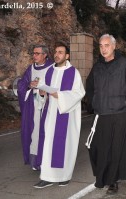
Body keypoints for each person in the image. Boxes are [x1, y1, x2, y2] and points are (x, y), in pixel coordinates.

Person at [86, 34, 126, 194]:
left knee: (116, 149)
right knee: (96, 147)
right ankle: (103, 175)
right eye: (101, 46)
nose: (103, 49)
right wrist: (93, 102)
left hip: (119, 115)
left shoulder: (124, 64)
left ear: (114, 46)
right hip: (101, 114)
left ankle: (113, 181)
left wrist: (125, 103)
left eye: (107, 45)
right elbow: (89, 87)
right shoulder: (97, 66)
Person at [33, 41, 85, 188]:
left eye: (60, 52)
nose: (57, 55)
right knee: (48, 144)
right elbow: (40, 93)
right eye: (55, 52)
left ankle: (64, 176)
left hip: (66, 115)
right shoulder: (49, 71)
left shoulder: (73, 72)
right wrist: (42, 94)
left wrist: (59, 95)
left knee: (65, 145)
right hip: (50, 115)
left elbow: (79, 93)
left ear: (67, 56)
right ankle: (47, 176)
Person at [17, 44, 53, 171]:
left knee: (46, 132)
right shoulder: (31, 69)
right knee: (34, 132)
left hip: (47, 106)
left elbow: (57, 86)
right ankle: (35, 161)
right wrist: (28, 85)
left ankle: (46, 161)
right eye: (33, 53)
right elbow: (21, 84)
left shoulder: (52, 68)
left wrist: (46, 91)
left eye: (37, 53)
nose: (34, 56)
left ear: (45, 55)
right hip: (33, 106)